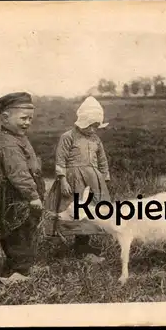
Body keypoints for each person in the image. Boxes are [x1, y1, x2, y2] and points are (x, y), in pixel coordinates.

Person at [44, 96, 111, 257]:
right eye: (90, 125)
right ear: (82, 121)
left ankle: (84, 245)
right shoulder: (68, 137)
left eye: (96, 126)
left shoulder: (95, 139)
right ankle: (76, 247)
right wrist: (63, 180)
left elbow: (102, 159)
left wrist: (104, 178)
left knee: (91, 211)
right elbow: (61, 159)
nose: (93, 130)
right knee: (74, 210)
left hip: (93, 182)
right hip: (74, 180)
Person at [0, 92, 46, 280]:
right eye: (23, 118)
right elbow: (18, 173)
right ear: (5, 118)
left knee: (25, 229)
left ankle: (16, 268)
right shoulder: (9, 144)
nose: (27, 122)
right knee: (19, 231)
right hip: (17, 196)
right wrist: (32, 196)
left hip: (20, 193)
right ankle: (18, 273)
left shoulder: (16, 136)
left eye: (30, 118)